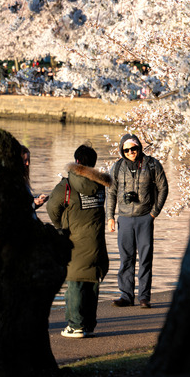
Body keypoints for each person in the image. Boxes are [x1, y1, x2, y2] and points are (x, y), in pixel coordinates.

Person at [47, 144, 113, 338]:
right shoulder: (100, 186)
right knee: (91, 283)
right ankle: (88, 324)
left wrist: (61, 226)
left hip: (74, 240)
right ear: (93, 163)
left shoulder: (66, 186)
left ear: (76, 161)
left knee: (75, 283)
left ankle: (75, 326)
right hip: (96, 242)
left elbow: (52, 208)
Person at [106, 133, 169, 308]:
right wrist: (110, 216)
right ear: (122, 151)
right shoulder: (117, 167)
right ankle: (126, 296)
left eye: (134, 148)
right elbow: (110, 193)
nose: (131, 152)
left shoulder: (152, 164)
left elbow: (163, 188)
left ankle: (144, 297)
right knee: (126, 258)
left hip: (145, 217)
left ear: (139, 148)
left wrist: (154, 213)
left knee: (145, 258)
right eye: (127, 150)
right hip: (124, 218)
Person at [21, 145, 48, 216]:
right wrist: (33, 203)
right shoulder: (14, 181)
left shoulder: (22, 180)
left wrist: (37, 199)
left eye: (28, 160)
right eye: (25, 160)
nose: (28, 164)